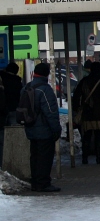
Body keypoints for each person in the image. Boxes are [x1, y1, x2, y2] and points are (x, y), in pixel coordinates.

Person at [24, 62, 62, 192]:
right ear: (46, 74)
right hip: (44, 130)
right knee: (44, 158)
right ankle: (43, 183)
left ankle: (35, 182)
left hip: (30, 128)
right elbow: (51, 112)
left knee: (34, 156)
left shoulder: (27, 87)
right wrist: (56, 129)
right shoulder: (45, 89)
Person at [72, 61, 100, 164]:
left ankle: (85, 157)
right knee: (99, 136)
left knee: (86, 136)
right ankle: (99, 158)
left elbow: (76, 96)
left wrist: (77, 108)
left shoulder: (84, 81)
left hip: (87, 113)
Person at [1, 62, 23, 162]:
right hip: (13, 109)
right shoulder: (17, 82)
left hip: (2, 111)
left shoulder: (2, 78)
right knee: (13, 133)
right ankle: (12, 158)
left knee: (2, 135)